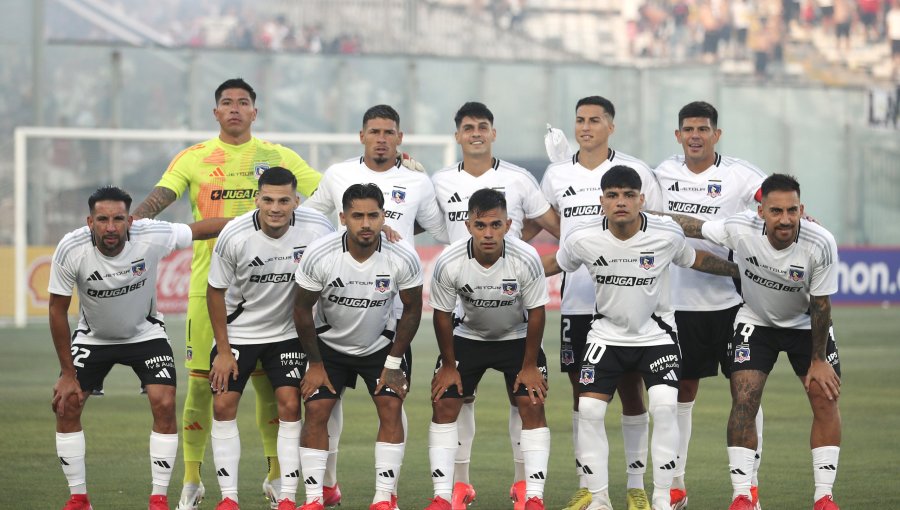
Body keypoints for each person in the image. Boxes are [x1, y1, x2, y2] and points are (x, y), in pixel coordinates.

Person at [131, 78, 322, 510]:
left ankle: (276, 477)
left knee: (275, 390)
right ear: (215, 112)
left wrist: (386, 174)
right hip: (210, 291)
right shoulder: (195, 158)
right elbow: (160, 199)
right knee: (204, 387)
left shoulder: (278, 157)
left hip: (273, 292)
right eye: (226, 103)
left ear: (256, 111)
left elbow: (329, 193)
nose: (234, 108)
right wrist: (133, 220)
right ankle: (194, 481)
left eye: (243, 103)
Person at [541, 166, 739, 510]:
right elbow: (554, 264)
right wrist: (505, 272)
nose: (621, 202)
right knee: (588, 408)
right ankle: (599, 499)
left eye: (629, 195)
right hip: (606, 335)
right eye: (613, 195)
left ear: (641, 200)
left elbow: (696, 259)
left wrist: (741, 271)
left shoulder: (666, 235)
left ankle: (661, 498)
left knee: (664, 408)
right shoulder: (582, 238)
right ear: (602, 201)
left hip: (656, 337)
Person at [663, 174, 843, 510]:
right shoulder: (739, 227)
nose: (785, 219)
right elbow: (696, 227)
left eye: (792, 210)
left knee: (824, 396)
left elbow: (821, 305)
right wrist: (649, 218)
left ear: (802, 209)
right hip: (756, 320)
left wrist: (818, 361)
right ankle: (743, 495)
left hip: (806, 325)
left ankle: (823, 496)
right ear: (760, 211)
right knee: (744, 398)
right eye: (776, 211)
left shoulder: (820, 243)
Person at [301, 104, 446, 507]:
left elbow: (437, 226)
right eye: (374, 131)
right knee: (323, 404)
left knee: (389, 401)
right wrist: (337, 244)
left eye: (389, 132)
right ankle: (323, 488)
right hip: (339, 301)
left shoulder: (417, 180)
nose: (381, 138)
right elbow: (310, 217)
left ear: (400, 138)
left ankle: (386, 496)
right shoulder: (337, 175)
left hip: (392, 307)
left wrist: (392, 231)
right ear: (361, 136)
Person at [48, 186, 228, 510]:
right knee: (67, 403)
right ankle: (79, 499)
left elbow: (199, 229)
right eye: (102, 219)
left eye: (118, 219)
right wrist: (66, 373)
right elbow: (56, 310)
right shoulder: (70, 249)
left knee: (164, 400)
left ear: (130, 220)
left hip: (144, 334)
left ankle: (158, 499)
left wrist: (253, 220)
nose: (111, 227)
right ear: (90, 222)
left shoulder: (151, 235)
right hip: (94, 337)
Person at [430, 101, 559, 509]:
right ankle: (455, 487)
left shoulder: (519, 181)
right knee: (450, 398)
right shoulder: (438, 181)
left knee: (528, 397)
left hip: (514, 320)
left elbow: (554, 224)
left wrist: (521, 245)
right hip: (467, 317)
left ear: (494, 132)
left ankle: (528, 491)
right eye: (468, 127)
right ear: (458, 135)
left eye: (483, 126)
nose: (476, 132)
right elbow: (410, 219)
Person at [540, 96, 664, 510]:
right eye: (579, 120)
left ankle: (635, 485)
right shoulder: (557, 173)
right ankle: (590, 488)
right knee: (583, 397)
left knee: (632, 392)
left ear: (611, 126)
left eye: (595, 120)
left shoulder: (635, 172)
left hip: (630, 304)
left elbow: (661, 226)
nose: (586, 127)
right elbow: (545, 221)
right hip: (577, 301)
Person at [652, 100, 767, 510]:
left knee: (746, 393)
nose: (696, 135)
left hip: (736, 303)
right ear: (678, 135)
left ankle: (746, 490)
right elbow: (631, 202)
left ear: (717, 134)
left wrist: (808, 221)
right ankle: (677, 485)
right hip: (678, 303)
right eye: (688, 129)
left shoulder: (740, 174)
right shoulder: (661, 174)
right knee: (680, 394)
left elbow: (776, 202)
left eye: (704, 129)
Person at [205, 167, 335, 510]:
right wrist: (222, 350)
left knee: (291, 406)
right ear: (256, 199)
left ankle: (288, 498)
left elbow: (344, 248)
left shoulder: (318, 228)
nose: (275, 207)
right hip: (240, 332)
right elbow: (215, 292)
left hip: (289, 334)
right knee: (222, 404)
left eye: (284, 200)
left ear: (296, 200)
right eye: (268, 199)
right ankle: (229, 498)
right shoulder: (234, 235)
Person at [293, 183, 423, 510]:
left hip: (382, 346)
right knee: (316, 409)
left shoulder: (403, 255)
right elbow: (300, 310)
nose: (366, 223)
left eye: (373, 216)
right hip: (329, 348)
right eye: (357, 216)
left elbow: (412, 310)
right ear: (343, 218)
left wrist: (393, 364)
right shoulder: (320, 254)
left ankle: (383, 499)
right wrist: (316, 364)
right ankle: (313, 499)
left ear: (384, 216)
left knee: (390, 406)